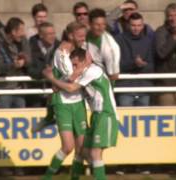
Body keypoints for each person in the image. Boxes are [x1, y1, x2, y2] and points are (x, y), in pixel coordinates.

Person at [43, 48, 118, 180]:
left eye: (76, 64)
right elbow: (66, 82)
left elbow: (71, 87)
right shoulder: (84, 72)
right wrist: (59, 83)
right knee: (83, 151)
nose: (73, 67)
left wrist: (51, 78)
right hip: (96, 115)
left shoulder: (93, 71)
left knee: (95, 154)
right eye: (72, 65)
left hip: (106, 114)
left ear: (84, 61)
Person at [41, 22, 91, 180]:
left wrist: (55, 81)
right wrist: (85, 66)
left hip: (78, 102)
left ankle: (74, 178)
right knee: (68, 146)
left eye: (84, 35)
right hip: (63, 102)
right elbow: (71, 79)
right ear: (70, 36)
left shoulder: (76, 50)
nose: (83, 39)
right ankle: (46, 177)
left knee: (81, 148)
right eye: (80, 36)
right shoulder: (61, 53)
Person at [115, 13, 155, 107]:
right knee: (125, 120)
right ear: (128, 25)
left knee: (144, 119)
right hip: (124, 88)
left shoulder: (148, 41)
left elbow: (152, 66)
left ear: (143, 25)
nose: (136, 28)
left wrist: (142, 65)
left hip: (144, 88)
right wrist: (134, 64)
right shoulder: (118, 40)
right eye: (133, 25)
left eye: (139, 25)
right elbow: (116, 65)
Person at [0, 17, 31, 109]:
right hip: (4, 87)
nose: (24, 33)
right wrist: (13, 65)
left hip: (19, 87)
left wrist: (24, 60)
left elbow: (29, 59)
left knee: (21, 117)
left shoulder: (23, 39)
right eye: (21, 30)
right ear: (13, 31)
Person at [27, 22, 60, 107]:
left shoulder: (60, 47)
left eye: (53, 33)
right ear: (41, 35)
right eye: (49, 34)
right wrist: (43, 72)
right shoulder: (30, 47)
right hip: (36, 92)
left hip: (54, 92)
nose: (52, 36)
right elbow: (29, 69)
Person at [87, 8, 121, 81]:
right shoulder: (83, 37)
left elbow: (114, 76)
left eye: (103, 24)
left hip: (102, 85)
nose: (101, 28)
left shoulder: (111, 47)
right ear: (90, 24)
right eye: (97, 25)